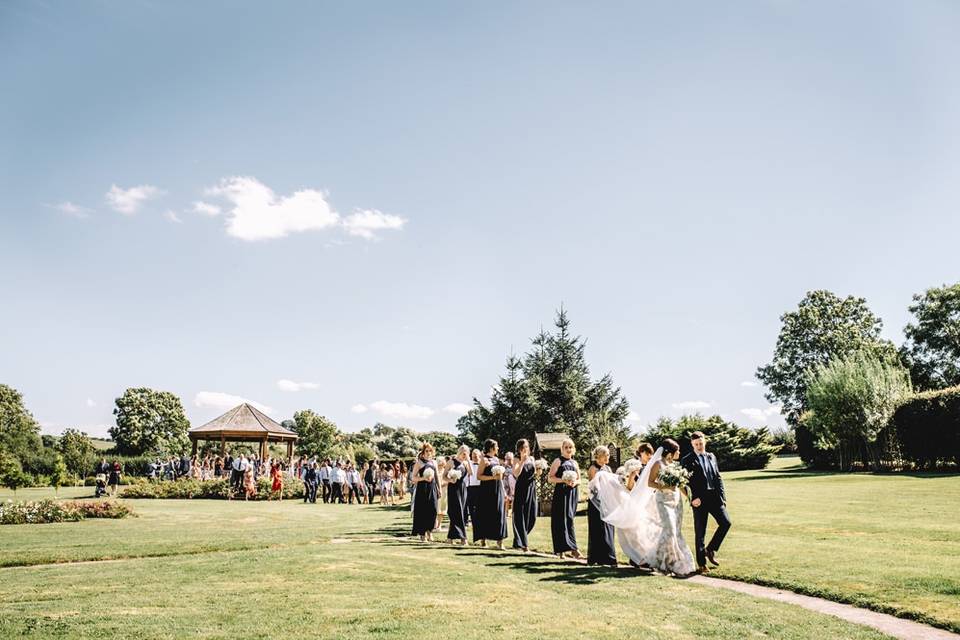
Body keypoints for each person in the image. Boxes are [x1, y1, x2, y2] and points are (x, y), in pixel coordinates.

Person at [590, 439, 696, 576]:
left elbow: (680, 484)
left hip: (675, 501)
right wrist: (665, 487)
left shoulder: (674, 465)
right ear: (670, 452)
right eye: (678, 450)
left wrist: (689, 497)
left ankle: (676, 561)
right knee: (668, 530)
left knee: (675, 531)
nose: (680, 452)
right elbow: (650, 483)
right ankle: (661, 561)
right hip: (663, 501)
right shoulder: (657, 464)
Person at [682, 431, 732, 573]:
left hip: (715, 498)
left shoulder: (711, 456)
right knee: (700, 532)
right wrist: (692, 498)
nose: (699, 446)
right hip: (699, 500)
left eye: (701, 443)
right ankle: (701, 564)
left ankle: (710, 550)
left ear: (705, 442)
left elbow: (718, 477)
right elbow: (685, 482)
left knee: (726, 523)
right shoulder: (687, 459)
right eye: (696, 444)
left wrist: (723, 497)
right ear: (692, 444)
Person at [549, 438, 582, 559]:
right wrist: (564, 480)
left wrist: (574, 483)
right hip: (561, 494)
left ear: (573, 449)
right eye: (566, 447)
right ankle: (561, 550)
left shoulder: (575, 463)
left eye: (570, 447)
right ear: (562, 449)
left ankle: (573, 548)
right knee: (560, 520)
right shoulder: (558, 461)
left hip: (572, 493)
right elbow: (550, 478)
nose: (568, 449)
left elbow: (579, 479)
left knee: (569, 520)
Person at [587, 446, 617, 566]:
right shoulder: (593, 469)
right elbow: (594, 487)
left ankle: (609, 556)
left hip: (607, 502)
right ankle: (598, 557)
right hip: (596, 502)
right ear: (599, 456)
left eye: (608, 455)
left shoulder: (608, 468)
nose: (608, 457)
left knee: (608, 527)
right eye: (606, 455)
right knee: (598, 529)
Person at [476, 439, 507, 550]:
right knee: (486, 514)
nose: (498, 448)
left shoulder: (497, 460)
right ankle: (483, 540)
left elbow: (500, 478)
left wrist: (504, 492)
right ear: (491, 448)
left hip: (497, 489)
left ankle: (499, 541)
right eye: (496, 446)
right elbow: (479, 476)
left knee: (499, 514)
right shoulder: (484, 460)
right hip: (486, 491)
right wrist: (492, 477)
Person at [511, 438, 537, 552]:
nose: (525, 449)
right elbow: (516, 473)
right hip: (521, 488)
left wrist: (539, 468)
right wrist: (522, 461)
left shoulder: (532, 458)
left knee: (532, 515)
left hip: (531, 488)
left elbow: (535, 473)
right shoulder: (516, 459)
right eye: (522, 447)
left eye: (526, 447)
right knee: (520, 515)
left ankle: (519, 540)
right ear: (519, 449)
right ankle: (524, 544)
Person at [411, 443, 439, 541]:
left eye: (430, 451)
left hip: (432, 488)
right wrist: (423, 478)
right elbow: (413, 478)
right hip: (422, 489)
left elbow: (437, 477)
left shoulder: (434, 462)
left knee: (433, 510)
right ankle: (422, 534)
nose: (428, 453)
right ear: (423, 452)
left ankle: (430, 531)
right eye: (426, 451)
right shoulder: (419, 463)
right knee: (422, 511)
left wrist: (438, 489)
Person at [445, 445, 470, 544]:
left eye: (466, 453)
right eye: (463, 453)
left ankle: (450, 538)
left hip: (463, 489)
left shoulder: (465, 462)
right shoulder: (451, 462)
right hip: (453, 489)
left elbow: (471, 473)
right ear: (459, 452)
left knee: (462, 512)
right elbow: (444, 476)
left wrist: (468, 460)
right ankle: (463, 538)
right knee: (456, 512)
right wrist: (451, 480)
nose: (464, 455)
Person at [466, 449, 481, 540]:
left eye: (476, 455)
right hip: (470, 488)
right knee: (471, 509)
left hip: (480, 488)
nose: (475, 457)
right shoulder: (469, 464)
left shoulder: (483, 464)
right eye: (473, 455)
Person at [501, 451, 516, 516]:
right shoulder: (503, 466)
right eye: (507, 459)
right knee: (506, 498)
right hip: (506, 483)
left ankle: (513, 512)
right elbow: (502, 475)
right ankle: (506, 512)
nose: (508, 461)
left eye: (510, 459)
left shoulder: (515, 466)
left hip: (513, 483)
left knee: (513, 498)